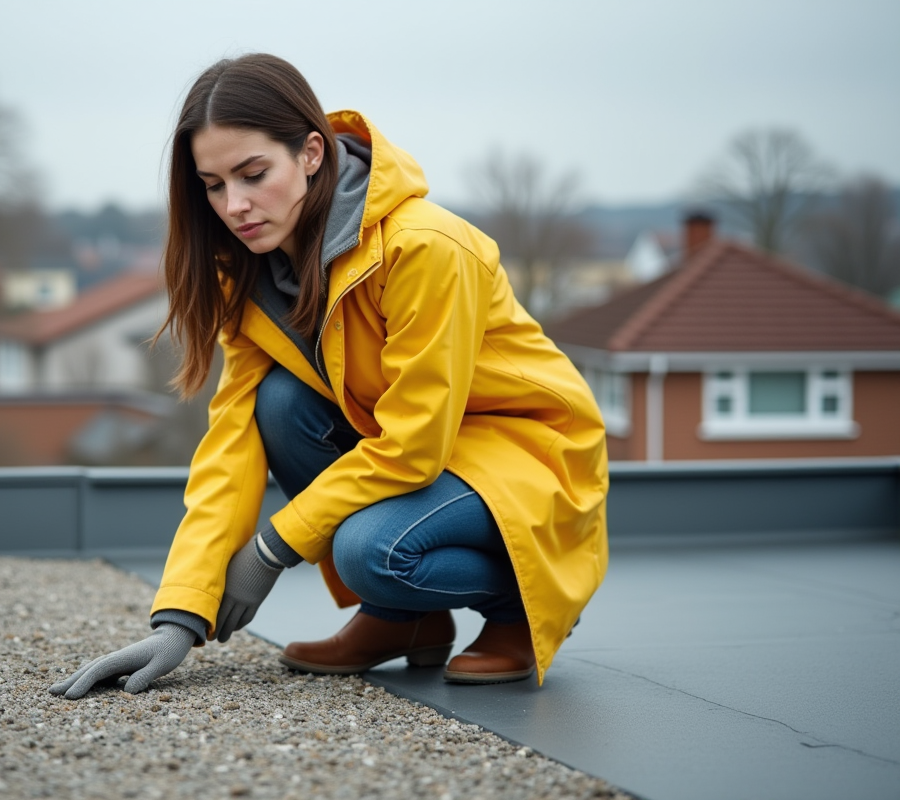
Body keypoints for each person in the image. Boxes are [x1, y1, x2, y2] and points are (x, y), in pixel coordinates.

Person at [50, 54, 608, 699]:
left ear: (311, 153)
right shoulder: (252, 279)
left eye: (253, 174)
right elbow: (232, 446)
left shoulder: (424, 248)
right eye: (213, 184)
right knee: (280, 405)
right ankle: (406, 619)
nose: (235, 205)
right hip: (431, 458)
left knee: (368, 551)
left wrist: (270, 549)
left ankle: (517, 611)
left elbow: (413, 446)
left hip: (528, 456)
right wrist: (181, 615)